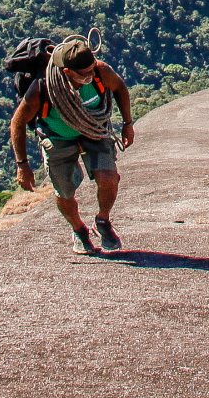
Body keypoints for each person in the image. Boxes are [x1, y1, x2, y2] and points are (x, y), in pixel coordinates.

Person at [9, 36, 135, 255]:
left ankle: (103, 221)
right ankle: (79, 229)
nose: (90, 76)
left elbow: (120, 88)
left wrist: (127, 124)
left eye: (91, 70)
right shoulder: (43, 87)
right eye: (84, 74)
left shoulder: (100, 71)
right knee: (64, 191)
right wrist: (22, 165)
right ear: (67, 72)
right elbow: (17, 122)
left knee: (109, 177)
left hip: (94, 130)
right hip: (58, 136)